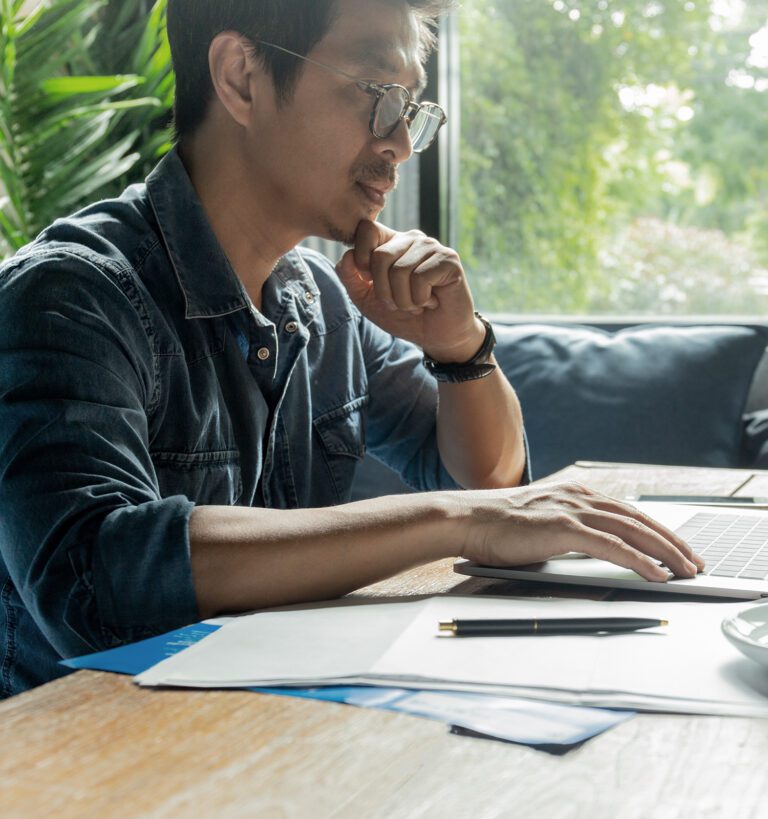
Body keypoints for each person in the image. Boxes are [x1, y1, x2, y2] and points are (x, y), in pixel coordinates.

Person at [0, 0, 704, 698]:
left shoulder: (319, 299)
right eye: (378, 95)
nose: (400, 140)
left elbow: (489, 486)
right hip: (75, 771)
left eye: (412, 107)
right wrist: (458, 524)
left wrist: (462, 348)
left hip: (256, 733)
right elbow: (92, 578)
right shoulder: (69, 296)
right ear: (242, 77)